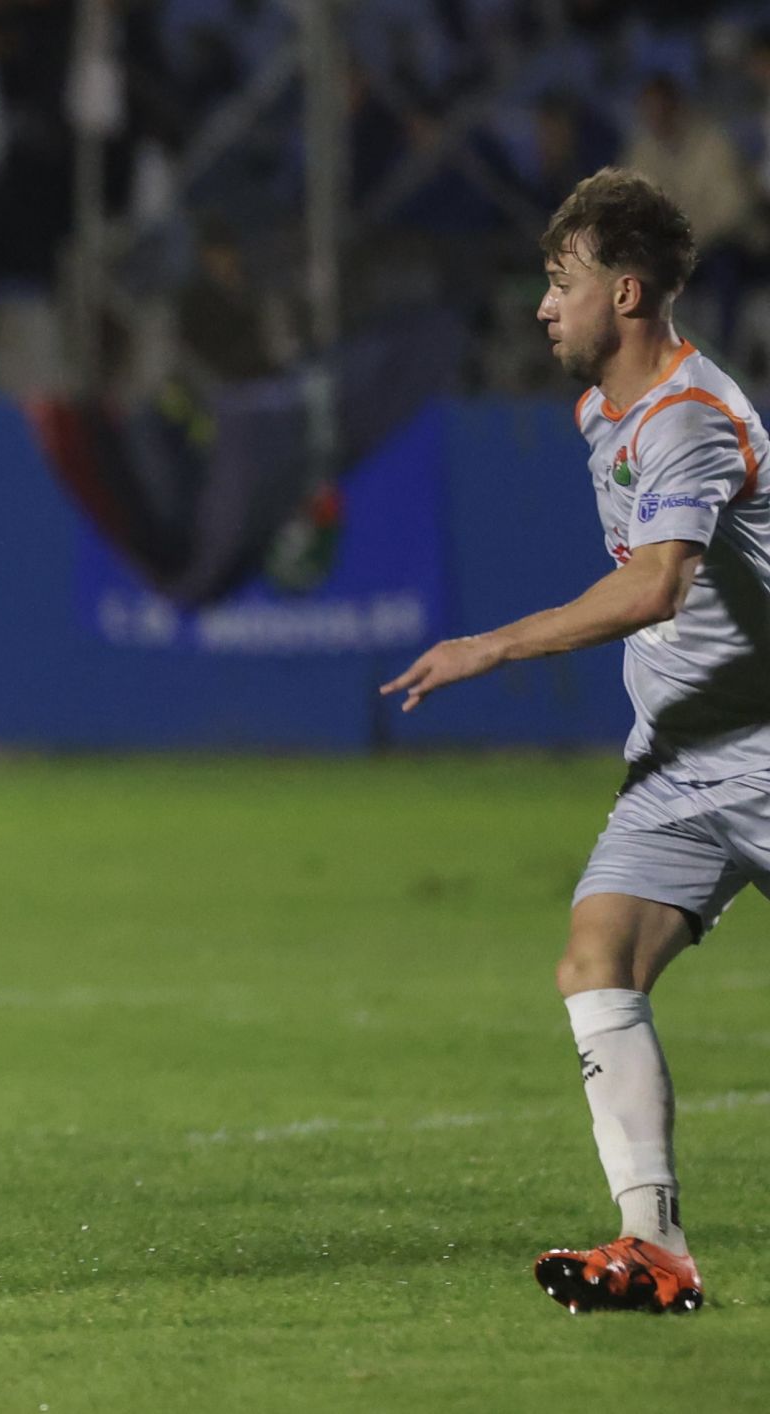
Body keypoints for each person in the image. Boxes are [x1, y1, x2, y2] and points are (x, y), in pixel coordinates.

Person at [382, 169, 770, 1315]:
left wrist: (489, 647)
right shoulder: (600, 414)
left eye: (564, 283)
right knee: (595, 956)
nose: (544, 307)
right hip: (680, 763)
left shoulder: (693, 420)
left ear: (630, 291)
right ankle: (653, 1245)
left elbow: (656, 587)